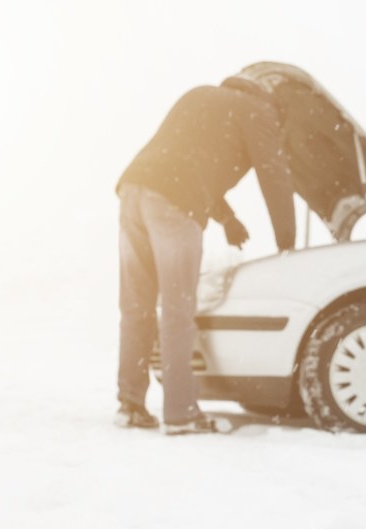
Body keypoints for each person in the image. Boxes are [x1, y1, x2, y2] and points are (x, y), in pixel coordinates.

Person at [114, 73, 295, 434]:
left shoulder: (200, 94)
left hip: (134, 189)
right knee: (179, 310)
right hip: (174, 204)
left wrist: (226, 218)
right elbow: (273, 174)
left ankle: (130, 405)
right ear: (272, 102)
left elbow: (185, 160)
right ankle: (181, 414)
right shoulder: (258, 110)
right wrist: (287, 243)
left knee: (136, 306)